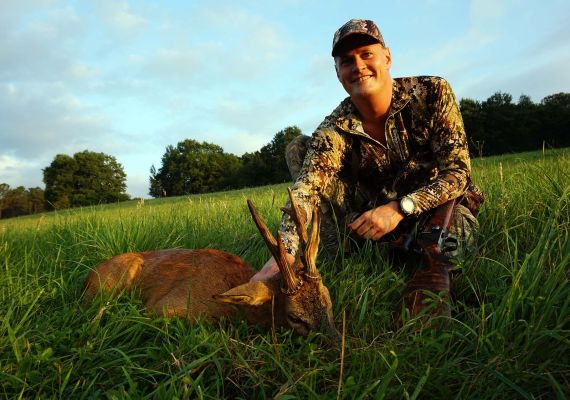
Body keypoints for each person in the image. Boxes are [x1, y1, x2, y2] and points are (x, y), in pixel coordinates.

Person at [250, 19, 482, 319]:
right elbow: (306, 191)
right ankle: (342, 253)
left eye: (366, 54)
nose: (358, 66)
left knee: (455, 242)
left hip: (435, 209)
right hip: (373, 218)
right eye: (347, 61)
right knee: (299, 147)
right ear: (338, 73)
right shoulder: (334, 129)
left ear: (387, 57)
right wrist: (285, 253)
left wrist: (401, 208)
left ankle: (432, 297)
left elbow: (458, 173)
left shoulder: (432, 93)